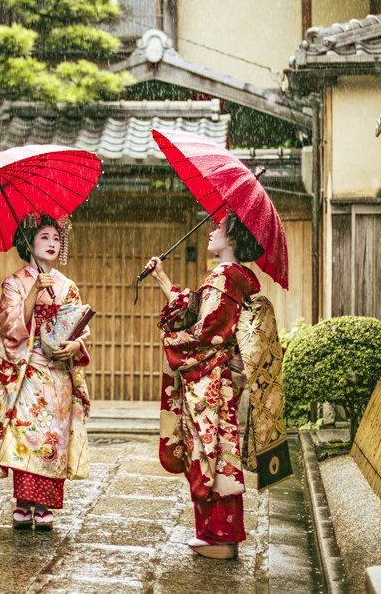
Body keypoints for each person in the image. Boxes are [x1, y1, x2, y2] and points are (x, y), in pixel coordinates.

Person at [143, 209, 266, 560]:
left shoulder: (224, 276)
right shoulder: (237, 277)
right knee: (218, 453)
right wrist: (163, 280)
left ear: (234, 239)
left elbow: (205, 332)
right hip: (221, 377)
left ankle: (219, 538)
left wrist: (173, 340)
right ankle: (217, 534)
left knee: (210, 453)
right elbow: (198, 312)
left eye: (220, 228)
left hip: (212, 378)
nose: (212, 231)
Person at [0, 213, 92, 531]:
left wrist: (76, 346)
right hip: (28, 371)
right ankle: (23, 502)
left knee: (51, 438)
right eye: (45, 237)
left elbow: (79, 326)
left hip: (57, 372)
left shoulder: (67, 286)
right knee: (26, 433)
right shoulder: (14, 283)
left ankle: (43, 504)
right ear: (28, 242)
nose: (53, 242)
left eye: (57, 238)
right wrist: (34, 293)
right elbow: (9, 328)